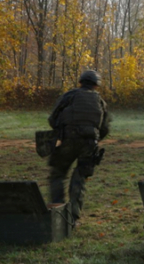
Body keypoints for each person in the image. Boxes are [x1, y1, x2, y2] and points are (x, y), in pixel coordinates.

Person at [47, 70, 111, 224]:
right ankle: (73, 217)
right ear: (96, 85)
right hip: (89, 144)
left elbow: (52, 118)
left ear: (81, 82)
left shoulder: (69, 96)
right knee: (80, 178)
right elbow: (104, 128)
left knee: (58, 174)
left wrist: (62, 131)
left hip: (67, 141)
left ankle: (57, 211)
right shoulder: (100, 101)